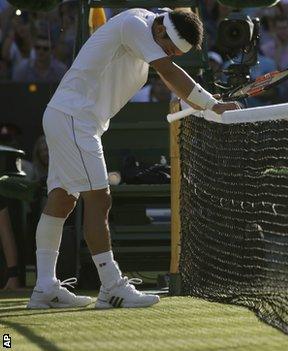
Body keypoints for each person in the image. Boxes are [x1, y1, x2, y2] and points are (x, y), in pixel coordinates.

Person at [27, 8, 240, 310]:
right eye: (167, 50)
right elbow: (168, 73)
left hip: (71, 118)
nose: (168, 56)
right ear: (161, 32)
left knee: (62, 199)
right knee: (99, 200)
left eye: (174, 54)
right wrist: (213, 104)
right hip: (75, 118)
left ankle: (44, 287)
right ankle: (111, 287)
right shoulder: (134, 25)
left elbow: (169, 75)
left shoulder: (152, 28)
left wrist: (198, 102)